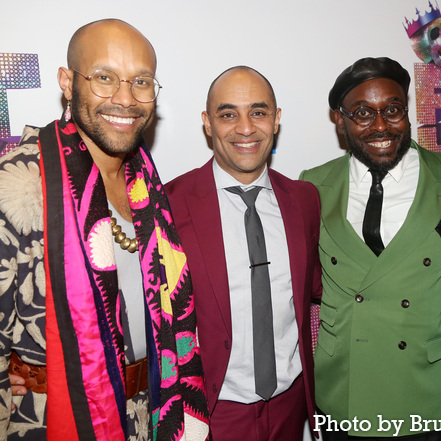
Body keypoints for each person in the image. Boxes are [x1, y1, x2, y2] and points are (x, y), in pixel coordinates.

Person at [0, 19, 209, 440]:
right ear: (66, 81)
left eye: (142, 82)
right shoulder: (19, 183)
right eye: (104, 77)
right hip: (54, 416)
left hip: (150, 412)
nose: (125, 98)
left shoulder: (145, 182)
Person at [300, 57, 441, 440]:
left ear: (407, 112)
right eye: (362, 113)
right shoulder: (311, 187)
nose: (380, 125)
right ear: (339, 120)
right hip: (344, 391)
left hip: (425, 392)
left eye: (392, 110)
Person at [165, 66, 321, 441]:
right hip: (210, 412)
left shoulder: (304, 199)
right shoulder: (169, 204)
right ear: (207, 123)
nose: (246, 128)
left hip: (291, 406)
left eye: (259, 112)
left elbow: (317, 291)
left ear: (276, 119)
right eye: (228, 114)